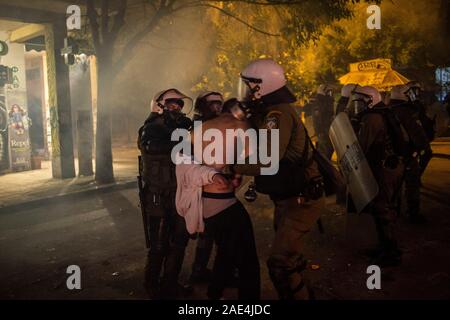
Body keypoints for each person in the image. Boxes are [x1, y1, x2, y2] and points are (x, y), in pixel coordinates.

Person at [229, 58, 325, 300]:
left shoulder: (277, 114)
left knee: (280, 263)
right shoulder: (271, 112)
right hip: (290, 196)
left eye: (249, 86)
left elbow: (268, 160)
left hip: (300, 198)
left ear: (262, 86)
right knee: (292, 258)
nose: (247, 91)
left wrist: (231, 165)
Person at [175, 111, 260, 300]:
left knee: (227, 254)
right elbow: (185, 167)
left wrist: (235, 175)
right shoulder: (196, 135)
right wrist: (212, 175)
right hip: (217, 207)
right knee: (248, 263)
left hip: (224, 203)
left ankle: (214, 293)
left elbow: (243, 161)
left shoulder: (224, 136)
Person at [137, 88, 193, 299]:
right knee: (159, 245)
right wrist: (184, 140)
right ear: (158, 105)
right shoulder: (150, 128)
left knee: (179, 242)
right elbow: (152, 147)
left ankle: (170, 283)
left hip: (180, 193)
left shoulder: (181, 127)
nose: (176, 107)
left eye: (179, 103)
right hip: (157, 195)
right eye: (171, 103)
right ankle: (152, 285)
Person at [350, 86, 405, 267]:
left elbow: (362, 147)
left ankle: (391, 251)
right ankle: (384, 246)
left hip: (384, 169)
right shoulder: (383, 111)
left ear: (370, 100)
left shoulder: (372, 117)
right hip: (391, 166)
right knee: (384, 208)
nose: (356, 104)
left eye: (360, 100)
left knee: (383, 210)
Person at [189, 91, 225, 284]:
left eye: (219, 104)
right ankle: (199, 271)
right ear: (203, 106)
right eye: (213, 104)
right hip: (204, 185)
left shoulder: (217, 125)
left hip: (218, 184)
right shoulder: (196, 127)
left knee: (219, 231)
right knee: (209, 231)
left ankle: (210, 270)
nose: (217, 107)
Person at [389, 84, 432, 224]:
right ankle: (413, 213)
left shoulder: (388, 110)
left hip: (393, 154)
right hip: (407, 152)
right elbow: (416, 132)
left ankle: (394, 210)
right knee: (412, 183)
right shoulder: (406, 112)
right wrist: (424, 148)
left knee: (394, 184)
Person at [311, 84, 335, 160]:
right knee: (324, 152)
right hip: (323, 131)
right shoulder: (319, 102)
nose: (330, 93)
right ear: (323, 91)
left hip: (328, 129)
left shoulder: (327, 100)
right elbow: (317, 118)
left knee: (328, 150)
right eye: (328, 91)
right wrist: (319, 131)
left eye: (331, 91)